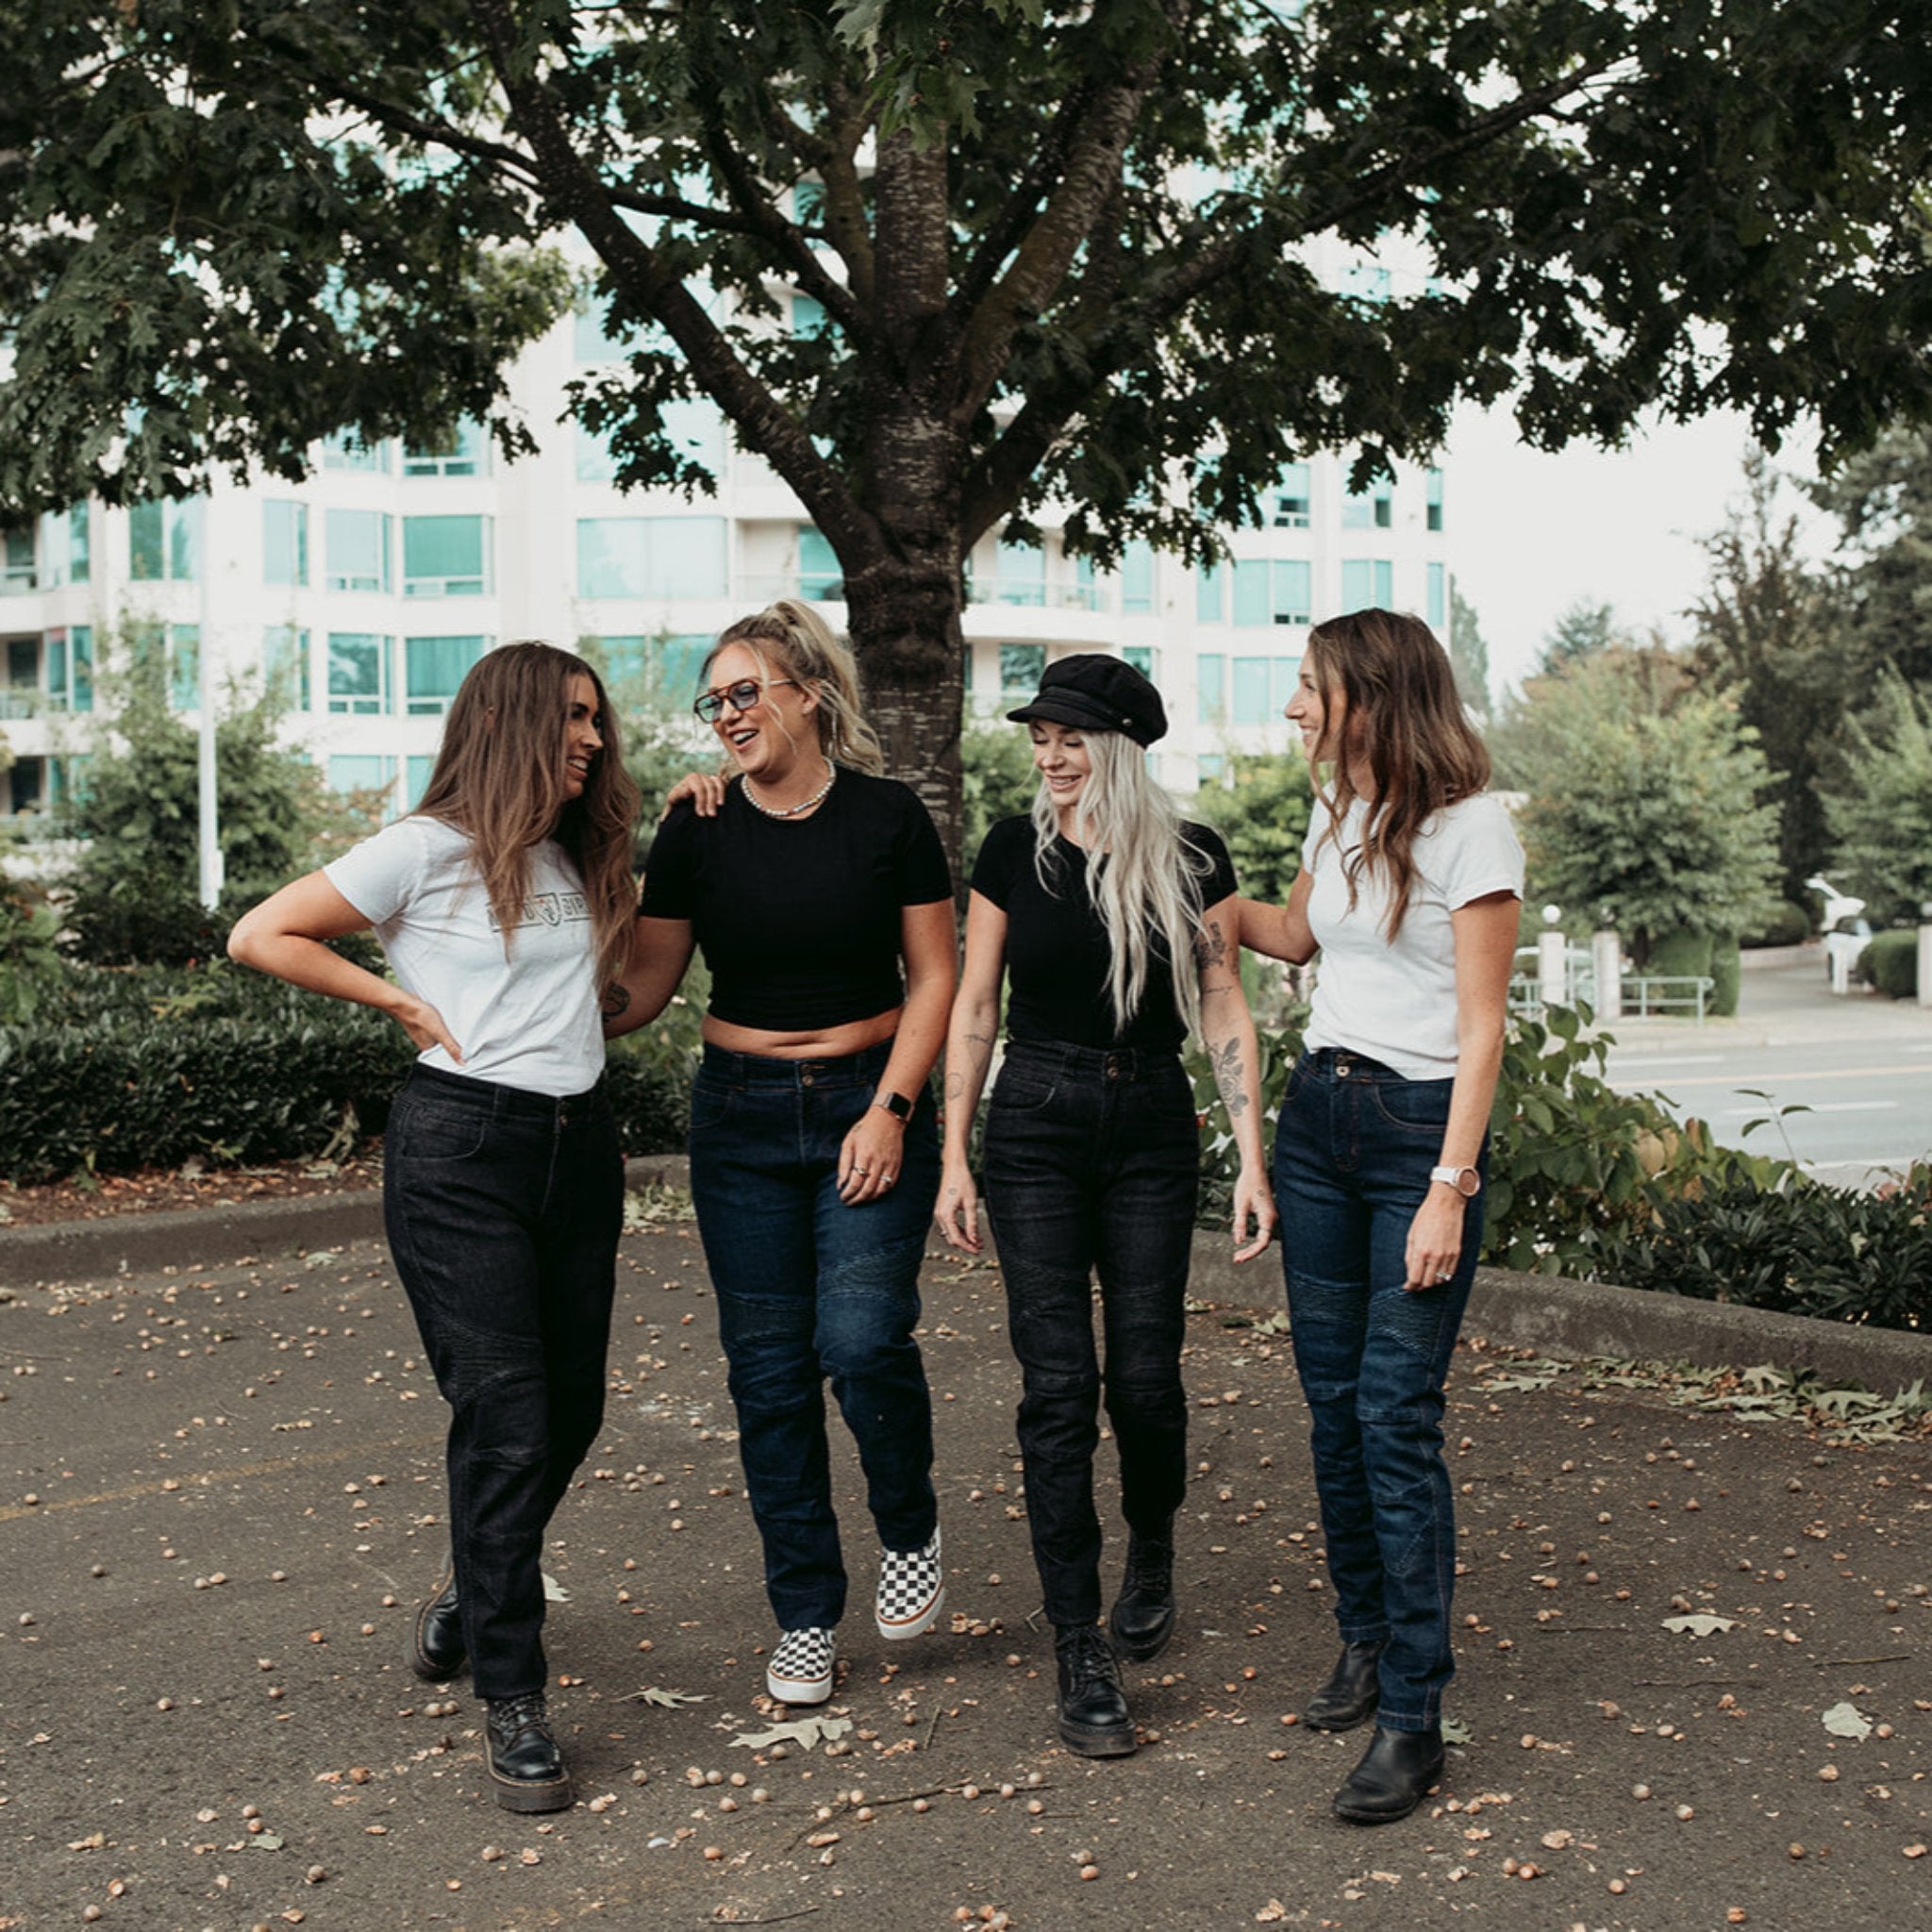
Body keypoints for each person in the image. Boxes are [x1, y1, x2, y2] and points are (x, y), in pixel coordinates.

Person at [228, 641, 642, 1813]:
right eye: (571, 715)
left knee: (574, 1407)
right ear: (511, 718)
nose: (591, 736)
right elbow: (262, 932)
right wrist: (399, 998)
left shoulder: (567, 852)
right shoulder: (422, 848)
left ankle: (474, 1582)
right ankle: (512, 1692)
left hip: (578, 1143)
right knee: (507, 1415)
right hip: (463, 1150)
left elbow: (594, 991)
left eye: (596, 719)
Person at [605, 600, 957, 1708]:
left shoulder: (889, 817)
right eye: (712, 700)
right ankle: (804, 1611)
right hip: (740, 1118)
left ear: (807, 690)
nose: (726, 716)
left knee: (858, 1338)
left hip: (867, 1098)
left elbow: (934, 977)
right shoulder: (698, 830)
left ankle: (908, 1520)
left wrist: (893, 1108)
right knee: (765, 1377)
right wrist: (616, 856)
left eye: (743, 691)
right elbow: (637, 991)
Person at [934, 654, 1274, 1757]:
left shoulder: (1188, 857)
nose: (1048, 756)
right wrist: (951, 1153)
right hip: (1031, 1115)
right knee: (1056, 1385)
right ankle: (1075, 1639)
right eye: (1038, 736)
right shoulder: (1008, 848)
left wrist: (1251, 1160)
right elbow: (974, 1001)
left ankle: (1154, 1544)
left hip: (1147, 1125)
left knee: (1144, 1376)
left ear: (1119, 746)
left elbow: (1221, 998)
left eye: (1068, 737)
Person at [1238, 608, 1523, 1824]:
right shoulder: (1339, 808)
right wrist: (1182, 884)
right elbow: (1296, 935)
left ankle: (1413, 1713)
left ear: (1370, 692)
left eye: (1309, 687)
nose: (1294, 707)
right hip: (1318, 1120)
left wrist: (1447, 1189)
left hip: (1415, 1135)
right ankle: (1362, 1639)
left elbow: (1479, 1029)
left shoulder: (1472, 827)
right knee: (1328, 1402)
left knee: (1389, 1415)